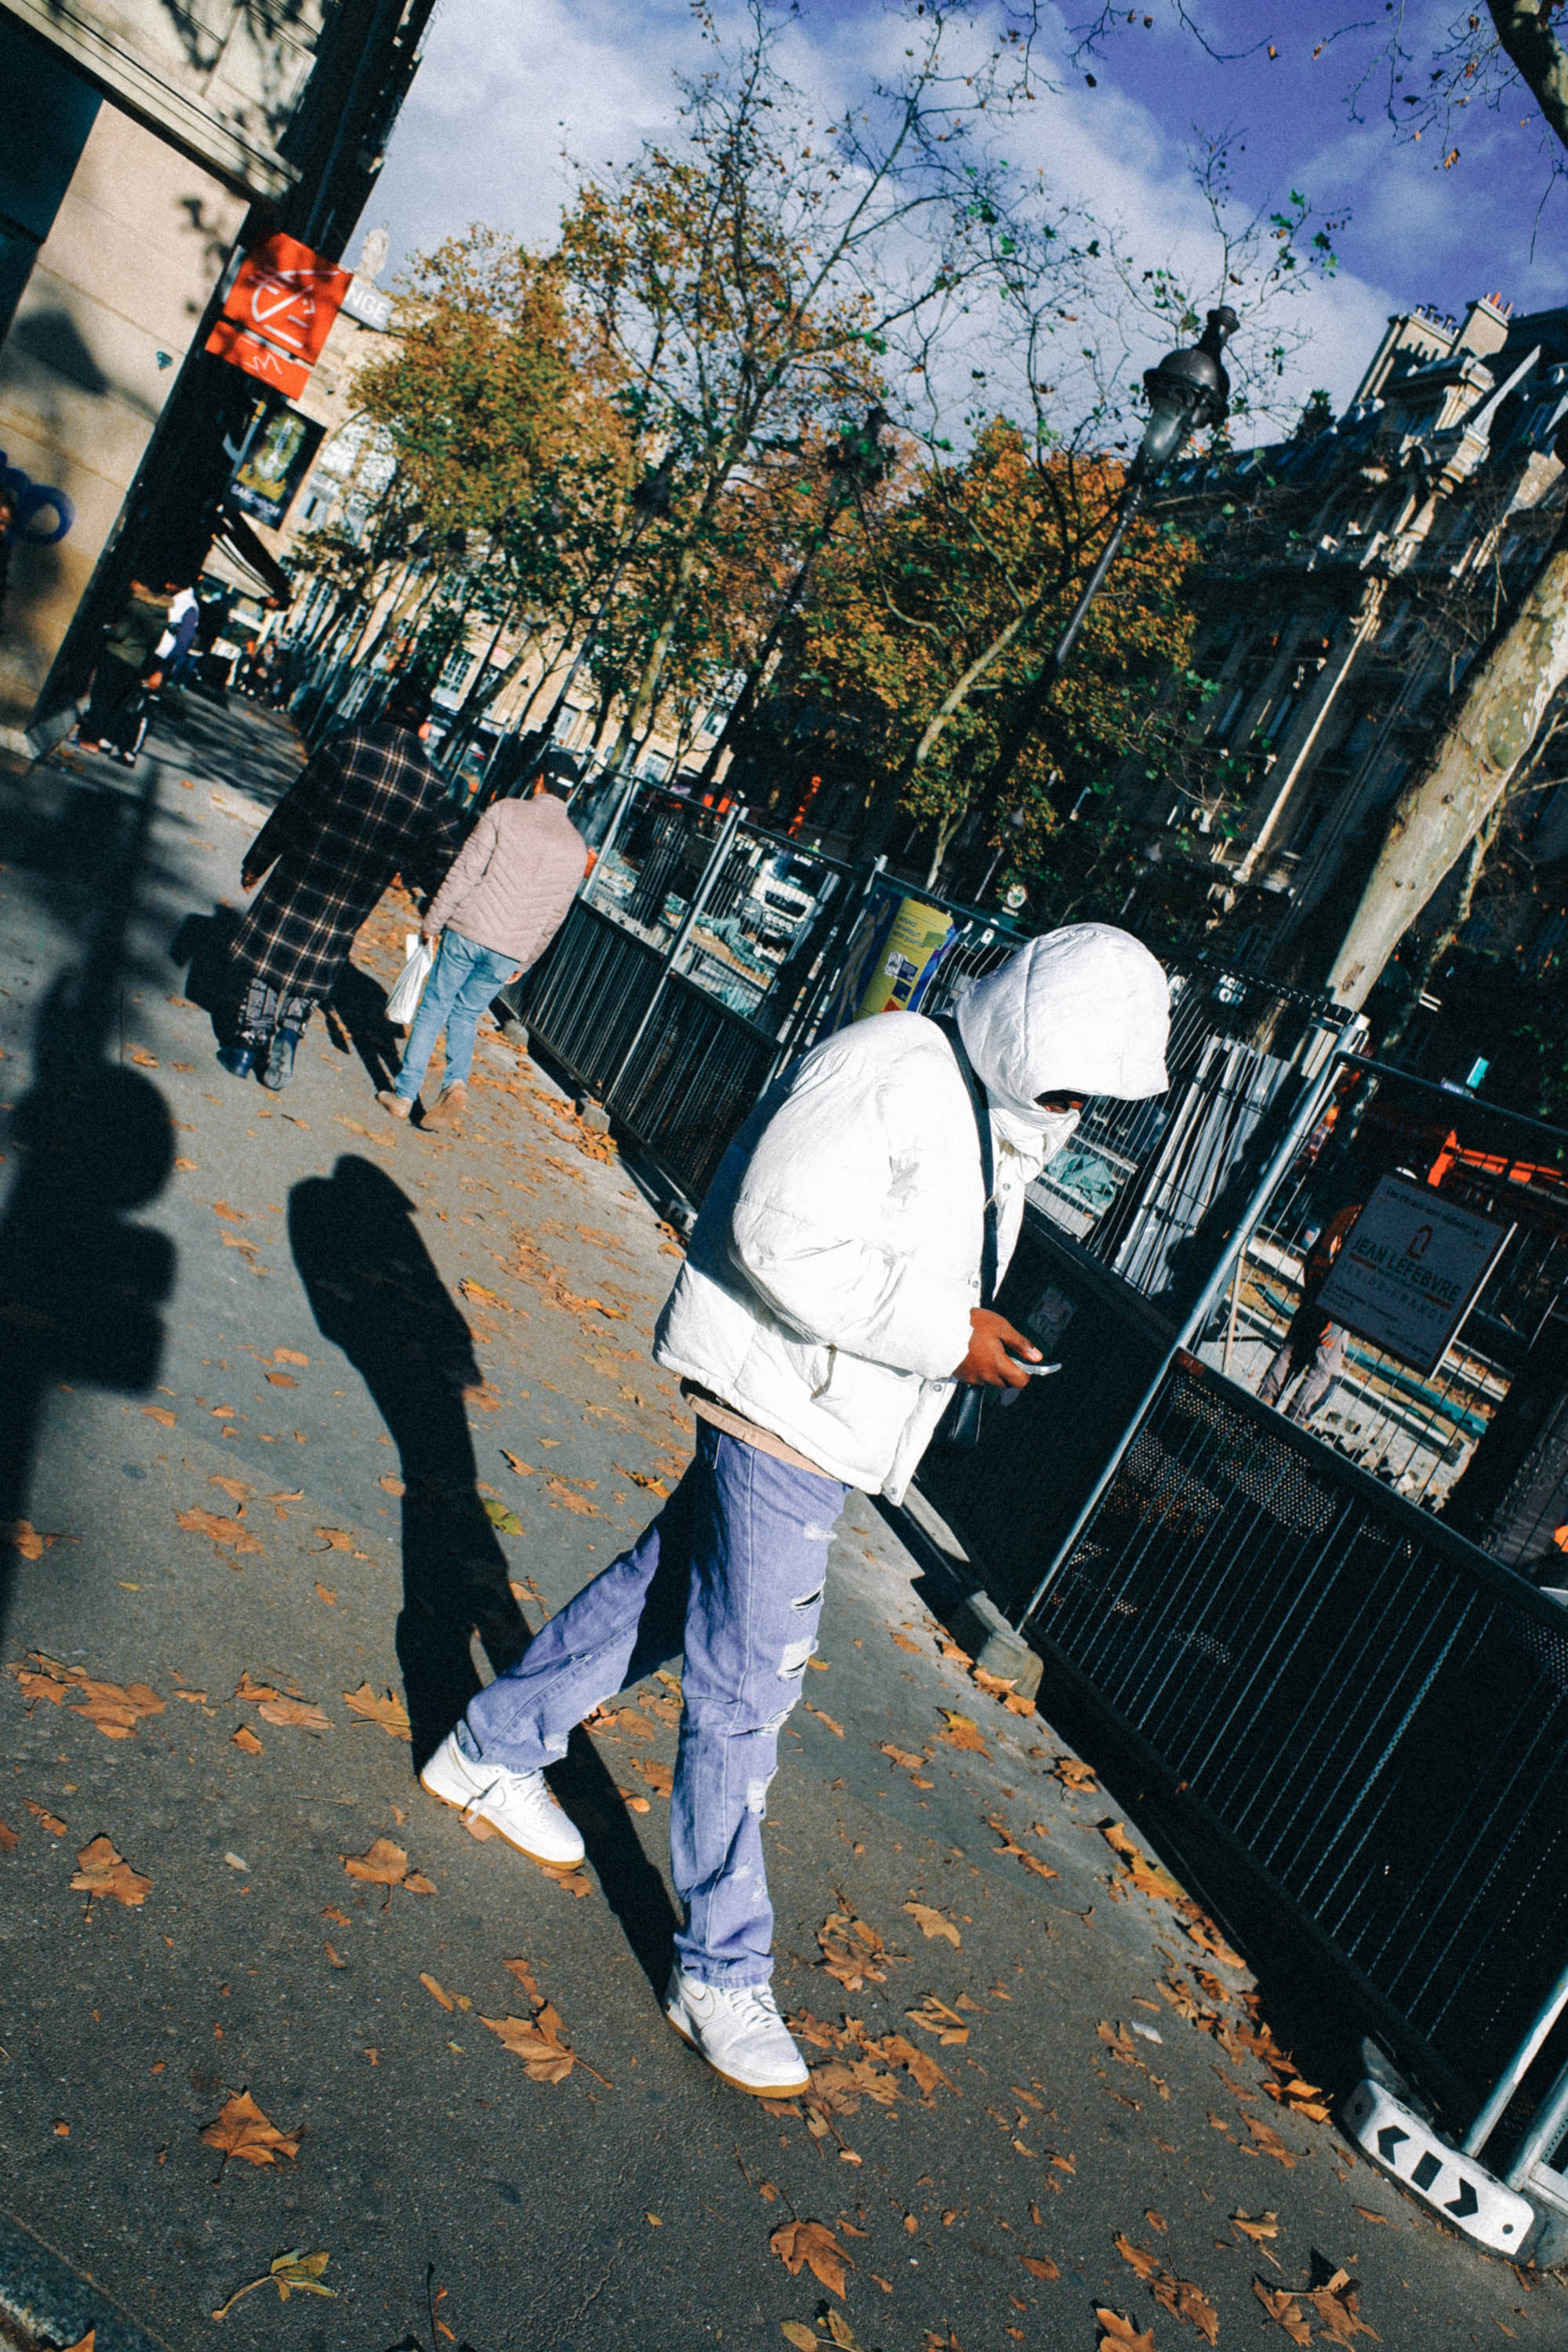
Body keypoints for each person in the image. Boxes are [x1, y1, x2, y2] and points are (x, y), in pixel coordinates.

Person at [419, 924, 1171, 2096]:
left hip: (804, 1406)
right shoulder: (897, 1065)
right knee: (748, 1688)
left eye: (1093, 1090)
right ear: (1023, 1027)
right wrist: (946, 1337)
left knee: (666, 1596)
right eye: (1071, 1076)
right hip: (784, 1406)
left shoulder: (971, 1100)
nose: (1077, 1105)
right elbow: (779, 1232)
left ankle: (492, 1745)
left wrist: (952, 1337)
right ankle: (720, 1969)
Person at [220, 677, 463, 1090]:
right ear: (424, 727)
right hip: (355, 889)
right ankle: (289, 1033)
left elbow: (297, 804)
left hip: (306, 867)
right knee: (318, 957)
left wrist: (258, 861)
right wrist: (411, 871)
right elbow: (446, 849)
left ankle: (247, 1044)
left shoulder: (345, 743)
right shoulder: (432, 783)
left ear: (387, 707)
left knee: (272, 952)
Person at [378, 771, 590, 1131]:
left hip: (469, 928)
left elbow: (466, 871)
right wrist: (528, 958)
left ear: (538, 780)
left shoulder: (505, 811)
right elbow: (556, 915)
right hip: (511, 948)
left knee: (435, 1005)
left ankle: (404, 1095)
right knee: (466, 1014)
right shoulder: (576, 849)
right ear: (573, 792)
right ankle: (455, 1082)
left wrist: (434, 919)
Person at [1257, 1199, 1362, 1425]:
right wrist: (1340, 1320)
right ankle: (1291, 1424)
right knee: (1325, 1372)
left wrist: (1312, 1292)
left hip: (1315, 1291)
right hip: (1338, 1306)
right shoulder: (1379, 1227)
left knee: (1291, 1351)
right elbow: (1360, 1276)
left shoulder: (1348, 1211)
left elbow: (1314, 1252)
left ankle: (1262, 1403)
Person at [78, 577, 172, 763]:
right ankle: (103, 738)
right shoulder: (164, 614)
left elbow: (120, 632)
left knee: (100, 697)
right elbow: (156, 642)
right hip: (136, 662)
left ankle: (90, 739)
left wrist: (108, 629)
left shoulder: (137, 606)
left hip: (117, 655)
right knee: (115, 701)